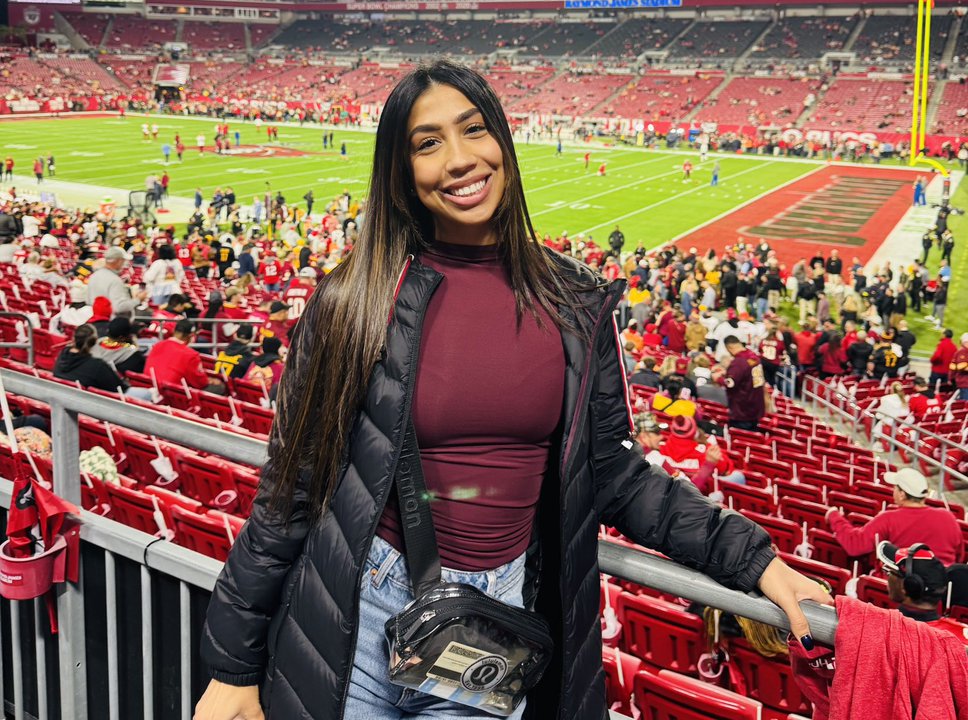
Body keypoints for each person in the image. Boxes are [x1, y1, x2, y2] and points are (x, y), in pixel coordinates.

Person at [195, 59, 826, 720]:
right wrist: (232, 667)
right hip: (357, 599)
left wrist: (751, 559)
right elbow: (291, 486)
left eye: (474, 130)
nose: (461, 159)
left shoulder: (575, 301)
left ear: (502, 138)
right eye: (428, 142)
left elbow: (614, 473)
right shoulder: (355, 296)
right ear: (402, 171)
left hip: (490, 617)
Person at [825, 467, 964, 565]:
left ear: (902, 494)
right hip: (943, 590)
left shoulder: (889, 519)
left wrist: (834, 516)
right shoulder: (949, 517)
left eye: (895, 488)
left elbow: (855, 544)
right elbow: (959, 556)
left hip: (904, 588)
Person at [53, 323, 126, 391]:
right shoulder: (97, 365)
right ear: (94, 342)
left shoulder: (62, 355)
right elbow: (120, 389)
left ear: (73, 339)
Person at [144, 318, 212, 390]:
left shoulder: (157, 345)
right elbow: (200, 383)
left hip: (148, 387)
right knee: (218, 388)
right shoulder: (191, 355)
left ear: (174, 331)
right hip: (169, 393)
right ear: (191, 335)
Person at [722, 335, 767, 431]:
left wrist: (718, 379)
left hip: (742, 409)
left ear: (729, 347)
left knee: (740, 437)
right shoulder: (754, 356)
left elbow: (730, 383)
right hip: (755, 404)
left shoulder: (739, 361)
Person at [86, 246, 136, 316]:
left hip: (95, 318)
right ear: (118, 260)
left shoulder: (94, 276)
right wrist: (137, 300)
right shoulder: (114, 280)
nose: (124, 263)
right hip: (109, 321)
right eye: (123, 260)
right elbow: (119, 307)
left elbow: (88, 300)